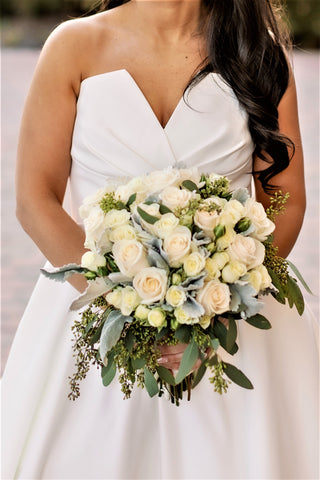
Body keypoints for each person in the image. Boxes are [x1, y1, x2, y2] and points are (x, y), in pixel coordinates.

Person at [2, 0, 319, 478]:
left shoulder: (258, 54)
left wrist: (221, 304)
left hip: (232, 321)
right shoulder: (73, 48)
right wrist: (125, 305)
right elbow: (35, 198)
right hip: (91, 310)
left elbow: (285, 201)